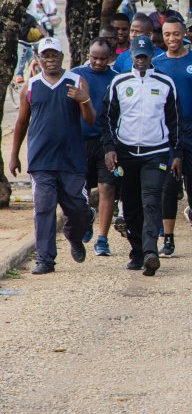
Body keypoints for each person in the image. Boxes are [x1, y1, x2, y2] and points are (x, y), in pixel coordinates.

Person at [9, 37, 95, 275]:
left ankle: (75, 235)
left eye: (54, 55)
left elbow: (90, 120)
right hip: (41, 159)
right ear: (38, 58)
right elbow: (21, 123)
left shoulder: (76, 82)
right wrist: (14, 155)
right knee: (44, 209)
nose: (50, 60)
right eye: (45, 55)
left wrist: (84, 100)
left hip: (71, 159)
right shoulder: (31, 86)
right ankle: (45, 260)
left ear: (61, 57)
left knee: (77, 208)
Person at [102, 36, 182, 277]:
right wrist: (109, 148)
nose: (140, 60)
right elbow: (107, 119)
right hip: (126, 153)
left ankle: (151, 253)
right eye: (137, 55)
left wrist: (176, 153)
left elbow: (175, 120)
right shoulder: (119, 82)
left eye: (145, 56)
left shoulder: (166, 83)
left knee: (150, 200)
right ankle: (137, 251)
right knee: (131, 204)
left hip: (155, 152)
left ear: (151, 57)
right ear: (131, 55)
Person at [151, 17, 192, 257]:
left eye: (176, 34)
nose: (172, 39)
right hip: (167, 131)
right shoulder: (157, 63)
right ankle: (168, 238)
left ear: (184, 34)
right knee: (169, 184)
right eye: (167, 35)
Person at [71, 40, 119, 256]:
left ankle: (103, 238)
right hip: (79, 141)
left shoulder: (117, 78)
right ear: (88, 55)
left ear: (110, 58)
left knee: (107, 188)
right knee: (78, 191)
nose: (98, 62)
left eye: (103, 58)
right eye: (94, 57)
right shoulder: (75, 76)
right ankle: (87, 216)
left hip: (105, 141)